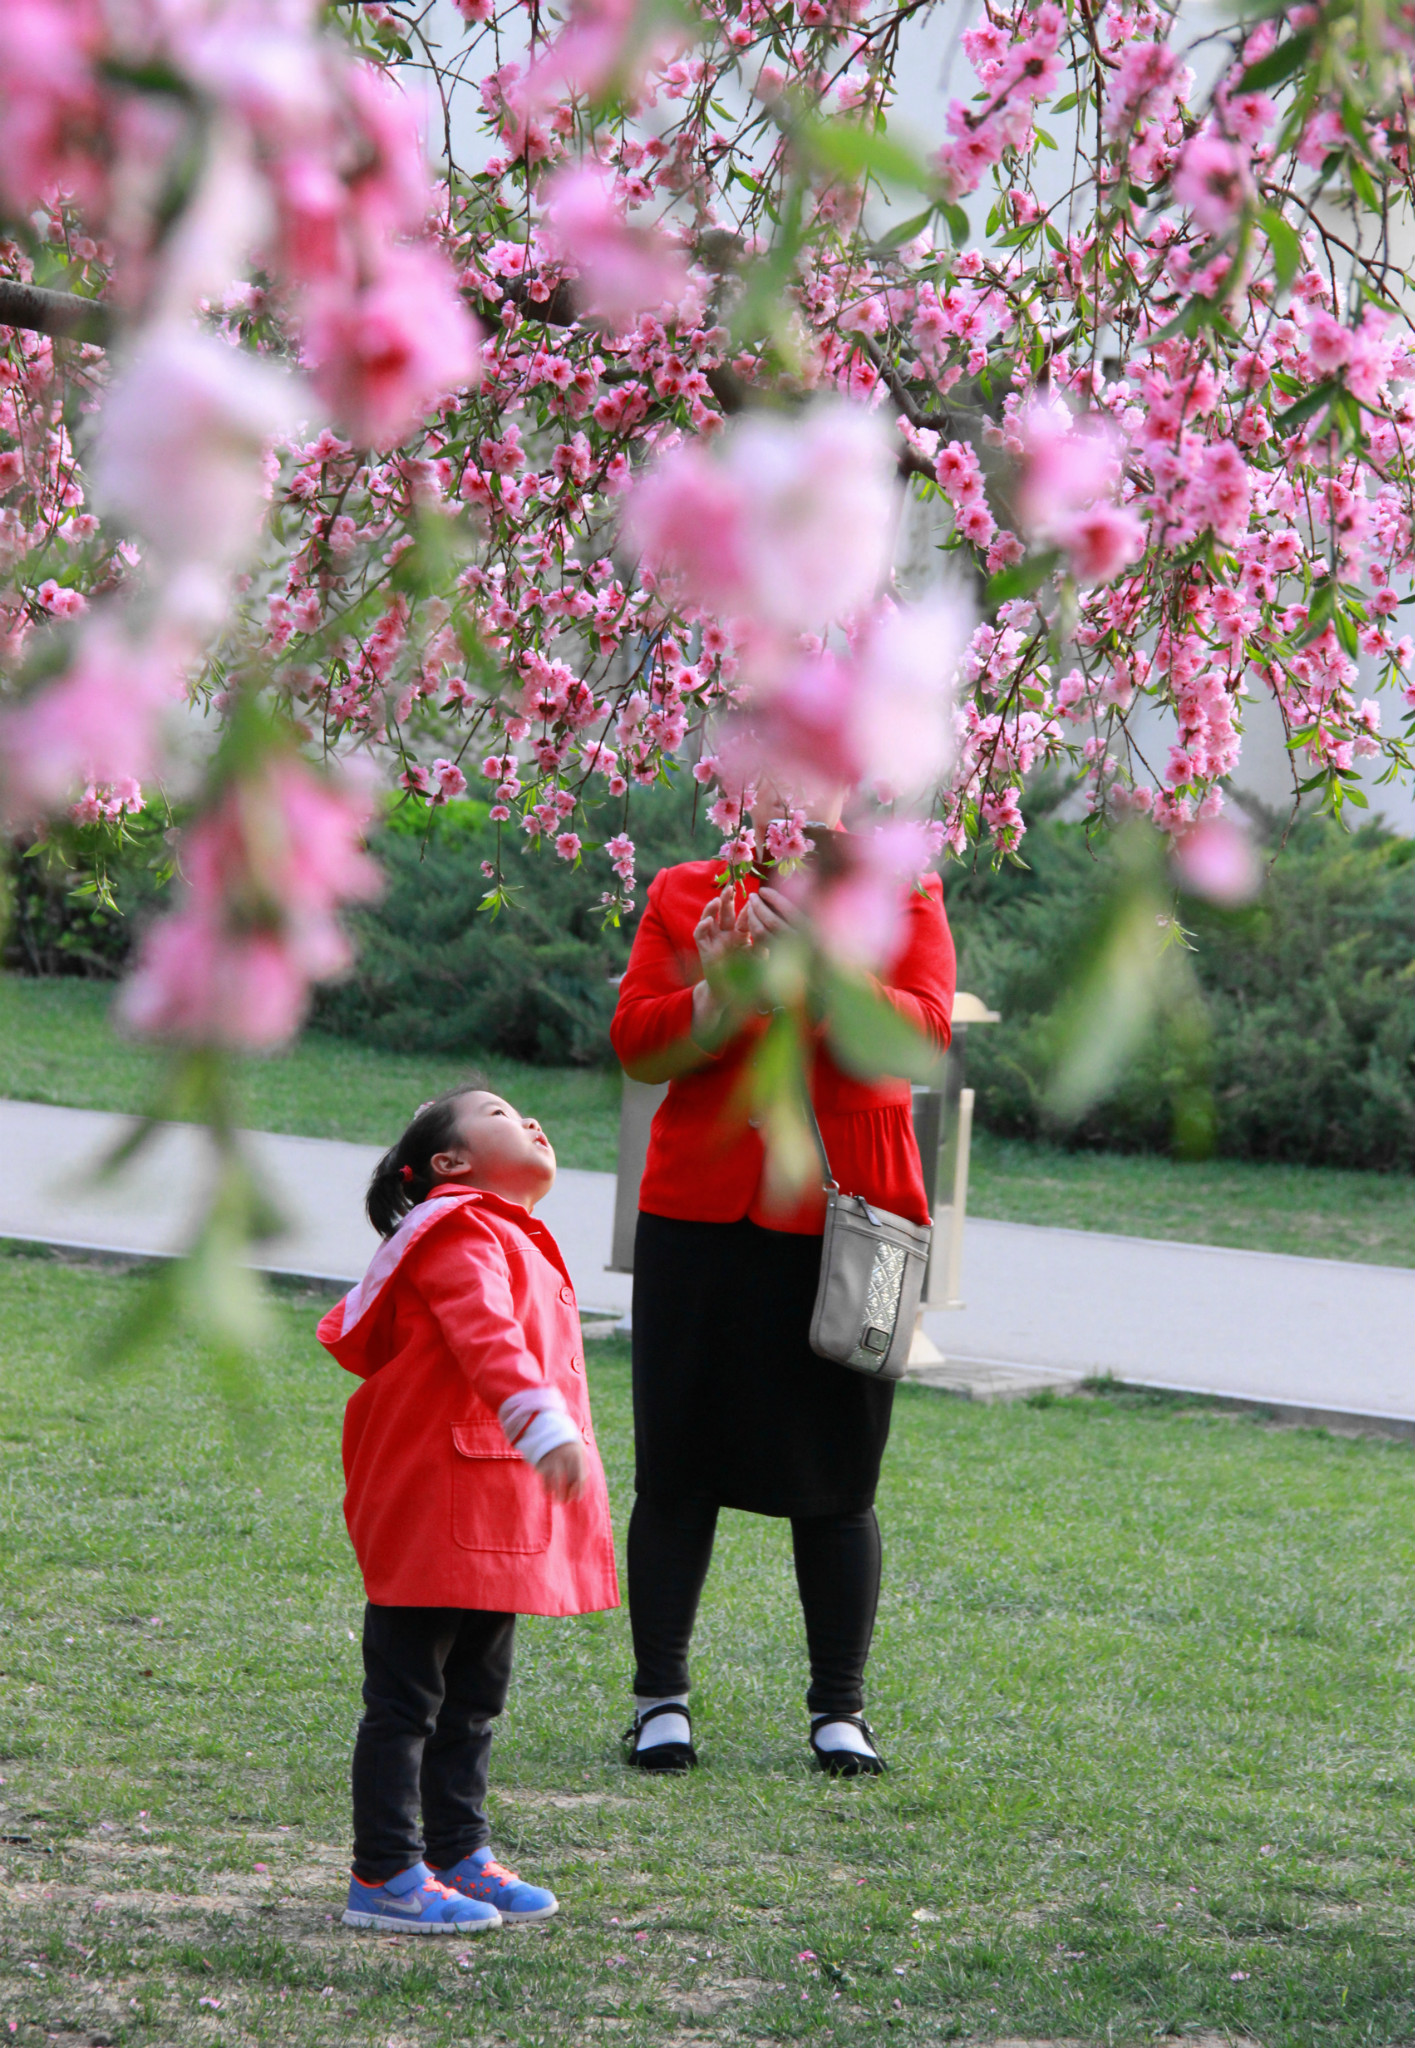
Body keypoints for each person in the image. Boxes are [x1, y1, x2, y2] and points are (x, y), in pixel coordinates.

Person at [610, 817, 955, 1778]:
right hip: (699, 1212)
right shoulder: (686, 889)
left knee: (841, 1481)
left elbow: (922, 1037)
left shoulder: (904, 890)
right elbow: (639, 1043)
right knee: (675, 1466)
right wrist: (716, 994)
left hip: (860, 1217)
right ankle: (658, 1701)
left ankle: (839, 1709)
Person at [317, 1084, 619, 1933]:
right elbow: (486, 1332)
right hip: (436, 1502)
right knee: (407, 1699)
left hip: (488, 1503)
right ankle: (383, 1874)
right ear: (448, 1164)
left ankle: (456, 1853)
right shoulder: (455, 1228)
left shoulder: (508, 1231)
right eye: (496, 1115)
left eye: (527, 1109)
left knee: (475, 1699)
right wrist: (541, 1423)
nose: (527, 1119)